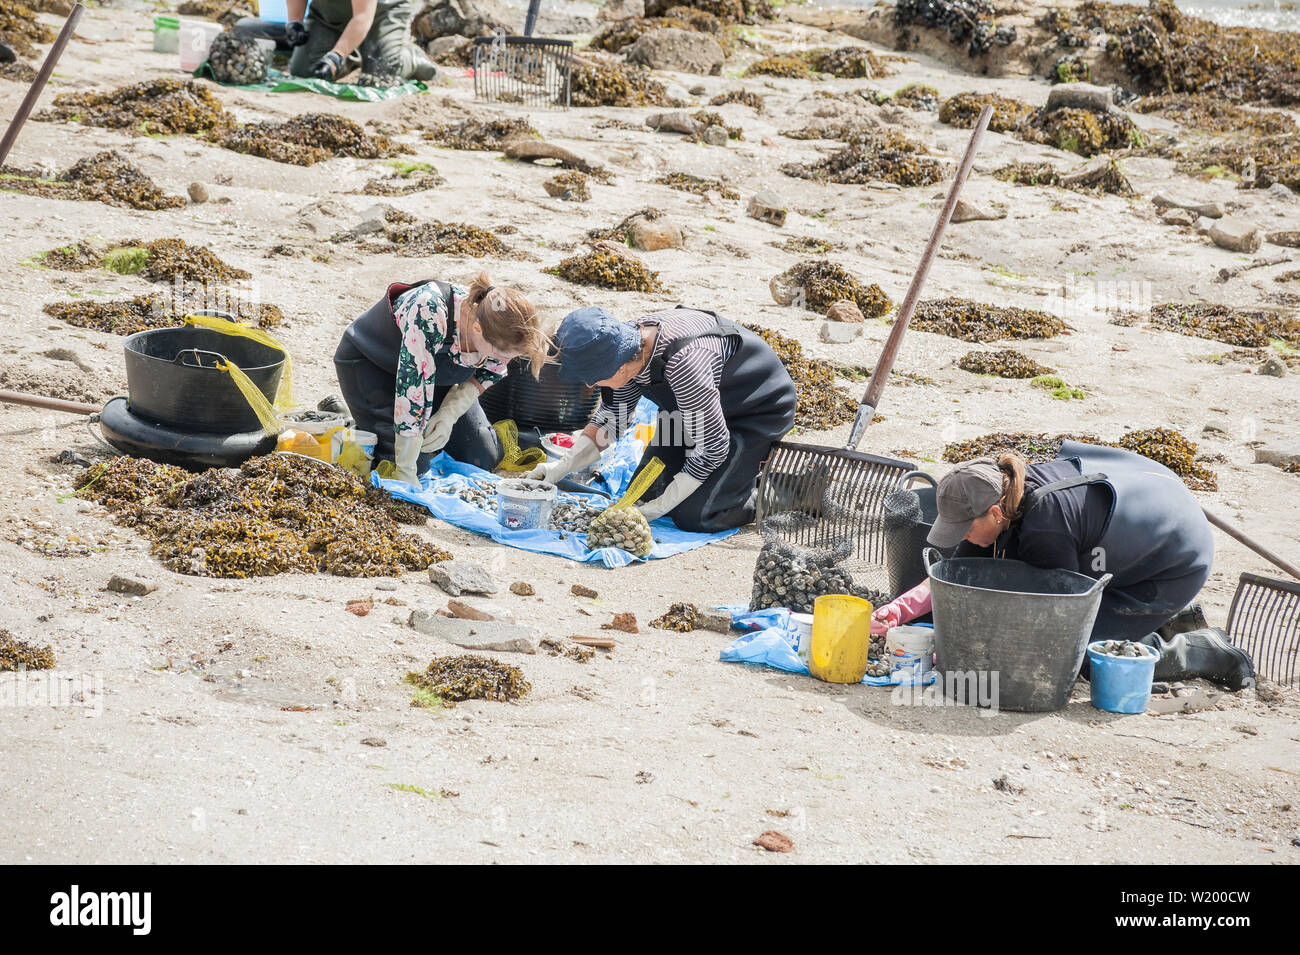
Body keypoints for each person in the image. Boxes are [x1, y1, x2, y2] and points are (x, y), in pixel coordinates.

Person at [872, 440, 1253, 688]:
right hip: (1137, 526)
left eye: (964, 529)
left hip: (1176, 557)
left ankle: (1200, 647)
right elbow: (961, 574)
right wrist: (903, 607)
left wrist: (966, 650)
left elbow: (1050, 623)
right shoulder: (1009, 492)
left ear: (993, 513)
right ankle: (1166, 615)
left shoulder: (1045, 527)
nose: (962, 538)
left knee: (1078, 660)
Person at [532, 306, 797, 532]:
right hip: (688, 413)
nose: (590, 384)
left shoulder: (684, 363)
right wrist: (559, 469)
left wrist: (658, 509)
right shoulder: (620, 348)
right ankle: (735, 479)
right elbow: (613, 420)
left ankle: (782, 491)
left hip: (754, 412)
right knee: (644, 493)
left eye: (593, 378)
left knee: (695, 515)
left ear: (620, 368)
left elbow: (712, 449)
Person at [334, 272, 549, 489]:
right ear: (477, 329)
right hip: (372, 366)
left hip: (432, 379)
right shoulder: (428, 309)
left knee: (481, 457)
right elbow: (413, 386)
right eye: (501, 353)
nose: (506, 361)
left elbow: (491, 370)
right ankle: (351, 420)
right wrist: (406, 467)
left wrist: (450, 412)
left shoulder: (498, 328)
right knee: (414, 465)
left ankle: (391, 426)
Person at [235, 0, 437, 80]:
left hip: (382, 11)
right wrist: (294, 22)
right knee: (304, 71)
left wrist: (337, 55)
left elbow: (363, 16)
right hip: (330, 11)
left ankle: (409, 57)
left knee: (379, 77)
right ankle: (354, 51)